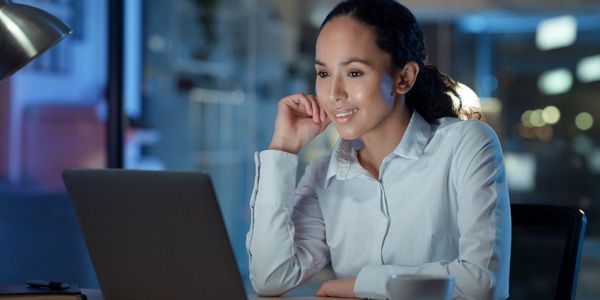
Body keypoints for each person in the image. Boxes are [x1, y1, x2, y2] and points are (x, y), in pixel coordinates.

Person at [246, 0, 511, 299]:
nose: (334, 95)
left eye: (354, 73)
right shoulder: (324, 174)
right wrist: (282, 148)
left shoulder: (467, 144)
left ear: (404, 77)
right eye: (323, 74)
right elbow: (270, 278)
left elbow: (482, 283)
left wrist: (359, 284)